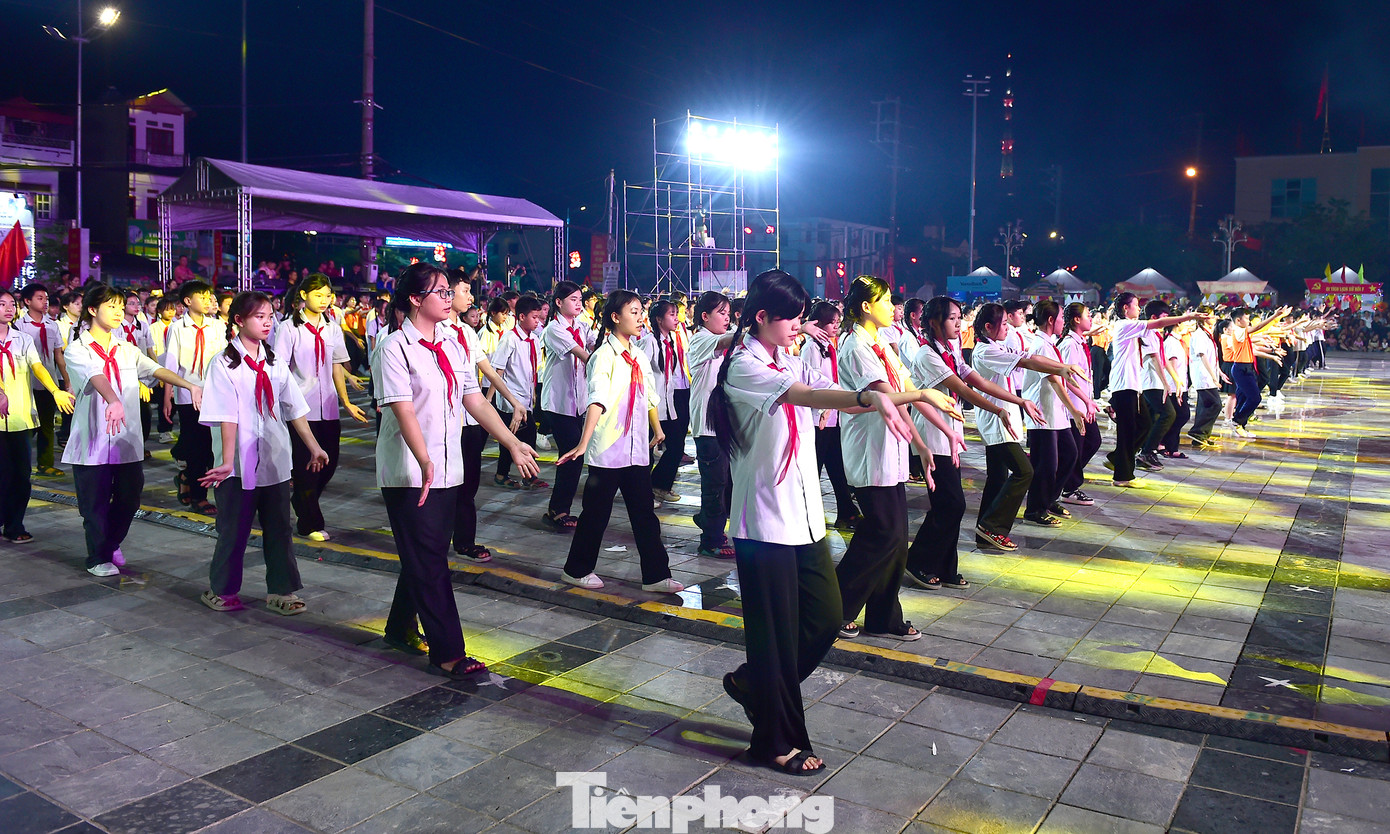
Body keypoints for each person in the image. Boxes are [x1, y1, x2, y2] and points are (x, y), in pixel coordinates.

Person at [709, 270, 938, 775]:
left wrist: (912, 399)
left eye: (801, 316)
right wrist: (865, 398)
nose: (799, 325)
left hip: (807, 517)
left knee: (828, 616)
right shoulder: (745, 367)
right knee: (774, 637)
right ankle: (774, 741)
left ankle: (755, 685)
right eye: (790, 317)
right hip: (765, 524)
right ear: (763, 318)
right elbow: (807, 397)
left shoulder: (785, 354)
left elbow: (829, 387)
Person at [372, 263, 539, 672]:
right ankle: (449, 653)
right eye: (441, 292)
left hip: (449, 468)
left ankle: (399, 627)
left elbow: (474, 400)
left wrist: (512, 442)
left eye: (450, 292)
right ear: (415, 299)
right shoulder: (393, 347)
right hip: (411, 473)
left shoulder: (452, 341)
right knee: (430, 560)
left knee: (424, 554)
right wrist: (424, 457)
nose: (450, 299)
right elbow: (403, 408)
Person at [835, 275, 959, 640]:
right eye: (886, 301)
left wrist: (925, 441)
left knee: (895, 538)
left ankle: (884, 616)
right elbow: (888, 398)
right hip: (869, 452)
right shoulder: (854, 347)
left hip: (890, 452)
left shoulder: (882, 345)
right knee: (881, 534)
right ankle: (835, 607)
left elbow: (904, 394)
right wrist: (925, 399)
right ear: (866, 307)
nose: (894, 308)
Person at [197, 292, 329, 614]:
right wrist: (227, 461)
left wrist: (314, 446)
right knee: (233, 529)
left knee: (280, 528)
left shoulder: (274, 363)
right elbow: (228, 415)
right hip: (237, 465)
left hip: (274, 461)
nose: (268, 322)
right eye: (259, 316)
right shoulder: (224, 363)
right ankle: (223, 590)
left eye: (270, 316)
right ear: (239, 321)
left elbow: (294, 406)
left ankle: (282, 592)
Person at [64, 284, 202, 576]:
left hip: (126, 439)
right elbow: (96, 375)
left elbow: (153, 369)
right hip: (93, 440)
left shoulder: (126, 348)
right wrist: (113, 399)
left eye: (119, 306)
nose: (118, 312)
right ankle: (97, 558)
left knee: (129, 499)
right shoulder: (77, 349)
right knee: (95, 504)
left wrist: (189, 385)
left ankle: (110, 541)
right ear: (92, 310)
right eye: (111, 306)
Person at [556, 291, 685, 593]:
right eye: (635, 312)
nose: (641, 318)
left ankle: (655, 576)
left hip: (636, 450)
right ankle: (576, 570)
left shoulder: (638, 355)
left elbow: (648, 395)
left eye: (642, 312)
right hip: (609, 451)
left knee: (645, 516)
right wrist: (584, 443)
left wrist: (657, 429)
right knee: (595, 516)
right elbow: (597, 400)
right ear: (615, 317)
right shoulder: (603, 356)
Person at [903, 296, 1027, 589]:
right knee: (950, 504)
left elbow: (977, 381)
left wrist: (1015, 401)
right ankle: (916, 560)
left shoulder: (950, 349)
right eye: (952, 318)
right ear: (934, 322)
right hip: (933, 436)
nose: (959, 323)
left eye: (960, 317)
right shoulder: (927, 355)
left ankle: (945, 566)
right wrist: (996, 409)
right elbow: (961, 388)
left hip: (950, 434)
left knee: (950, 504)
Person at [970, 303, 1086, 549]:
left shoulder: (997, 345)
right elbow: (1028, 362)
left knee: (998, 478)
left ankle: (985, 531)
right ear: (988, 327)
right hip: (996, 421)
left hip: (1004, 418)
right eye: (1003, 324)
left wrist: (1060, 368)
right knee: (1025, 471)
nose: (1008, 327)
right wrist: (1062, 368)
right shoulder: (985, 351)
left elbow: (1029, 357)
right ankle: (992, 526)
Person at [273, 273, 369, 541]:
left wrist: (346, 402)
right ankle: (310, 522)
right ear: (303, 296)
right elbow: (280, 369)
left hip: (327, 407)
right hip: (299, 408)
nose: (325, 300)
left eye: (328, 295)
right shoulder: (288, 328)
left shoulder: (333, 328)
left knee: (329, 463)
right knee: (305, 466)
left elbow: (337, 365)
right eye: (319, 295)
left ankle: (302, 502)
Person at [439, 269, 525, 562]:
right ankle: (440, 538)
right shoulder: (436, 332)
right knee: (446, 485)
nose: (471, 297)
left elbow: (485, 370)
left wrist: (513, 400)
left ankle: (464, 540)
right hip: (447, 422)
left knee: (469, 484)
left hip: (471, 421)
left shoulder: (465, 331)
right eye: (465, 290)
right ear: (446, 293)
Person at [1104, 293, 1209, 486]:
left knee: (1143, 424)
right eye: (1135, 305)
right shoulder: (1125, 325)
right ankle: (1122, 476)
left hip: (1133, 386)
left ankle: (1119, 458)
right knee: (1128, 431)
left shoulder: (1132, 328)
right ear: (1125, 309)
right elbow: (1157, 325)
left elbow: (1154, 335)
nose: (1138, 309)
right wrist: (1189, 317)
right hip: (1124, 385)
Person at [0, 289, 76, 542]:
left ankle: (15, 526)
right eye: (2, 304)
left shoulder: (22, 339)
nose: (8, 308)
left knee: (21, 476)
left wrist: (56, 390)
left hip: (21, 417)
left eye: (11, 304)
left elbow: (38, 366)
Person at [1021, 300, 1092, 526]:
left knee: (1070, 455)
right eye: (1062, 318)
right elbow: (1054, 381)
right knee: (1046, 465)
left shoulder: (1050, 343)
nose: (1064, 322)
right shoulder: (1040, 346)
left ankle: (1049, 499)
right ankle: (1035, 510)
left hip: (1055, 414)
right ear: (1051, 320)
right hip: (1043, 414)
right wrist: (1075, 409)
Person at [164, 280, 228, 514]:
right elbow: (171, 363)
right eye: (202, 296)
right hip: (188, 394)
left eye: (209, 296)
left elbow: (223, 359)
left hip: (214, 393)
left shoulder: (217, 326)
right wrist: (167, 397)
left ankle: (186, 477)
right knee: (196, 447)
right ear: (188, 301)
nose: (208, 300)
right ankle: (199, 497)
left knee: (214, 445)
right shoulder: (177, 328)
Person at [799, 301, 860, 530]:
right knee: (813, 468)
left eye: (837, 321)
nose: (836, 326)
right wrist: (824, 409)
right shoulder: (810, 348)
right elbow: (809, 383)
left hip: (832, 416)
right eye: (831, 322)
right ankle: (807, 515)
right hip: (818, 419)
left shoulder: (829, 345)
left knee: (837, 467)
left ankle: (847, 512)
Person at [540, 281, 593, 531]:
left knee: (574, 456)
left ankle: (560, 507)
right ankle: (557, 510)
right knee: (571, 455)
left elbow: (595, 344)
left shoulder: (582, 326)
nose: (579, 303)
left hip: (578, 401)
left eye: (580, 299)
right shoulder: (554, 329)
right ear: (559, 302)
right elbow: (583, 354)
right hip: (559, 402)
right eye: (573, 299)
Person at [687, 291, 737, 558]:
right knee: (715, 483)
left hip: (723, 422)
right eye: (721, 313)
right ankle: (711, 540)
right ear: (704, 316)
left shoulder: (719, 340)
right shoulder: (701, 340)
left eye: (729, 314)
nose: (726, 318)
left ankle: (708, 519)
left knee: (726, 481)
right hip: (707, 424)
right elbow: (731, 338)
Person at [490, 295, 546, 490]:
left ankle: (503, 474)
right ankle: (525, 476)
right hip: (510, 400)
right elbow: (497, 370)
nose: (537, 321)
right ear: (521, 316)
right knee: (524, 435)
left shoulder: (534, 340)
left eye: (539, 318)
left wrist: (533, 394)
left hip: (525, 398)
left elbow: (533, 370)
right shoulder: (510, 339)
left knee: (515, 438)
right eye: (534, 317)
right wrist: (490, 400)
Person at [641, 300, 692, 504]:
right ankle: (644, 494)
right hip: (651, 406)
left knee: (677, 446)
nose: (677, 318)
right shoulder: (649, 342)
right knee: (646, 453)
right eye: (672, 314)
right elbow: (640, 374)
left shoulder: (669, 340)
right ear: (658, 319)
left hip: (668, 403)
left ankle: (659, 485)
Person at [14, 283, 67, 477]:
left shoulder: (52, 324)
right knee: (27, 425)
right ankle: (20, 464)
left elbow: (58, 356)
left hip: (48, 382)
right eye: (39, 298)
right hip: (26, 383)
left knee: (47, 423)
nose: (45, 302)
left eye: (46, 298)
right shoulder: (19, 326)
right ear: (27, 301)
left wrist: (65, 381)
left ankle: (45, 464)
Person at [1058, 303, 1103, 505]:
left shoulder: (1080, 342)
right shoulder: (1069, 344)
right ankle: (1068, 487)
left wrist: (1089, 401)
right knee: (1078, 447)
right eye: (1087, 315)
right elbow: (1067, 378)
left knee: (1092, 442)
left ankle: (1066, 480)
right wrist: (1085, 402)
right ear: (1076, 319)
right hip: (1074, 406)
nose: (1090, 318)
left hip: (1083, 404)